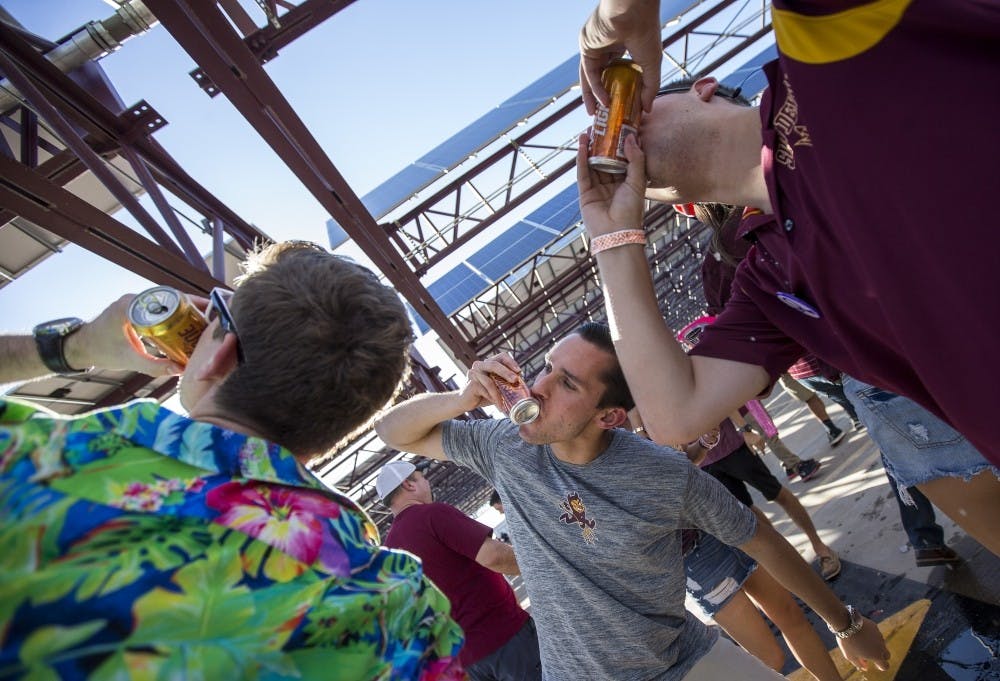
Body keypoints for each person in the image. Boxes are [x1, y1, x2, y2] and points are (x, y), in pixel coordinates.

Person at [574, 0, 1000, 552]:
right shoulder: (769, 280)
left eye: (634, 103)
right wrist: (613, 236)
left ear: (705, 89)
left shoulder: (829, 66)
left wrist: (617, 14)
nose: (618, 120)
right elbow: (676, 414)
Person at [0, 241, 464, 679]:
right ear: (345, 426)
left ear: (218, 353)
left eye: (214, 316)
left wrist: (75, 346)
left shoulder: (34, 461)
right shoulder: (397, 606)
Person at [374, 322, 889, 679]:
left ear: (609, 416)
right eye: (548, 368)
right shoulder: (504, 446)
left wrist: (845, 623)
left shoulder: (662, 474)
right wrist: (462, 398)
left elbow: (761, 540)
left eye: (567, 383)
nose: (540, 386)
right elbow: (392, 430)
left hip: (683, 656)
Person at [377, 459, 542, 681]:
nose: (427, 483)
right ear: (409, 484)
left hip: (465, 663)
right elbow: (493, 556)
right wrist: (545, 566)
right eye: (422, 478)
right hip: (505, 636)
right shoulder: (431, 515)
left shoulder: (389, 554)